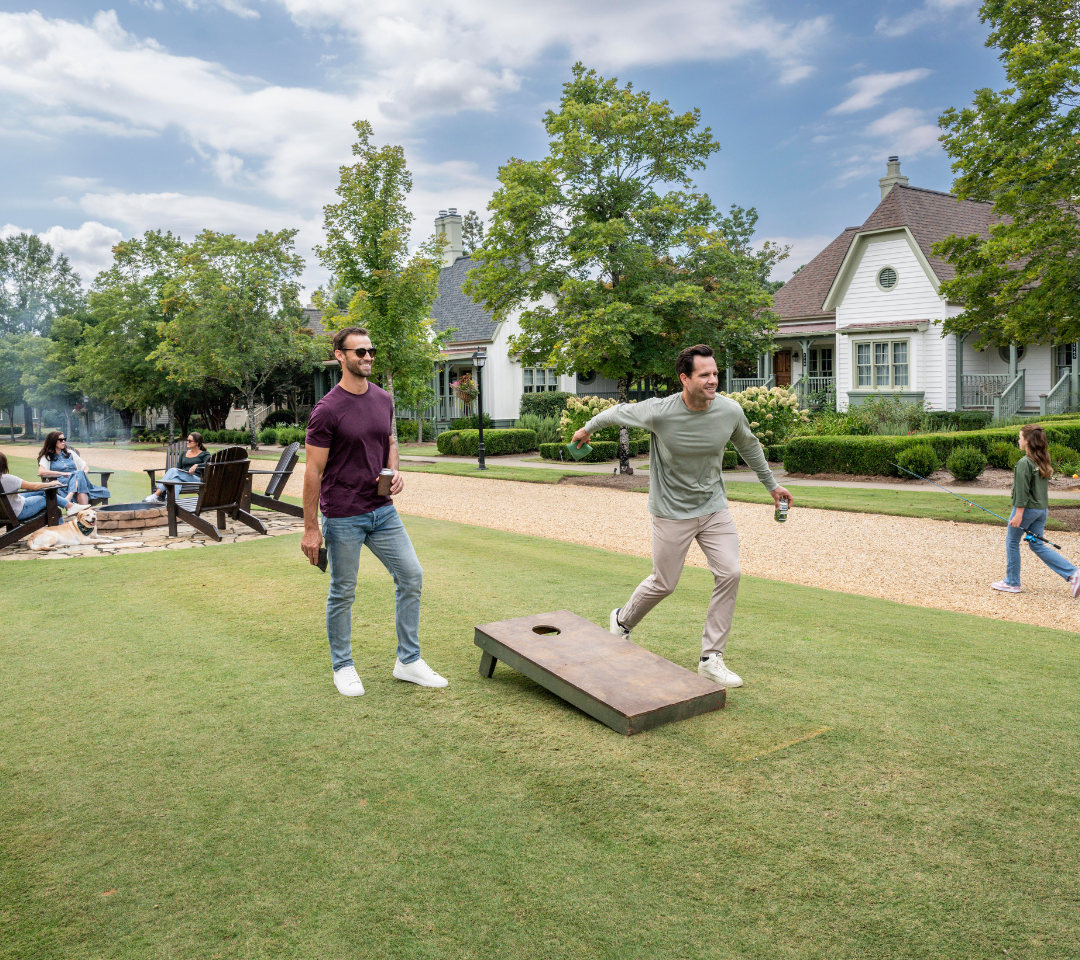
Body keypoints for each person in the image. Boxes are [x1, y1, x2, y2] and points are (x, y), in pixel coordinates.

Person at [571, 344, 794, 688]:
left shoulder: (729, 411)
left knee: (730, 573)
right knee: (665, 583)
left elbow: (749, 446)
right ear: (684, 379)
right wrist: (586, 429)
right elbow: (615, 413)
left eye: (715, 373)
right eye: (704, 374)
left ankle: (711, 658)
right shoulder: (659, 411)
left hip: (713, 508)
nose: (712, 380)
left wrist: (772, 486)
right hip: (671, 512)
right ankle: (622, 620)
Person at [300, 325, 448, 696]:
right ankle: (343, 666)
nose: (367, 358)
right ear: (340, 356)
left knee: (411, 576)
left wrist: (395, 470)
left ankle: (408, 661)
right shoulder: (327, 410)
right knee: (343, 591)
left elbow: (390, 440)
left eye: (371, 351)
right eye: (359, 352)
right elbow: (313, 472)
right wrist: (310, 528)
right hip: (344, 514)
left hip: (382, 512)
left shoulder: (383, 398)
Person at [991, 424, 1080, 597]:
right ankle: (1073, 574)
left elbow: (1022, 491)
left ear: (1027, 441)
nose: (1018, 440)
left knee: (1011, 542)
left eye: (1020, 437)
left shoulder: (1024, 463)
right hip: (1041, 511)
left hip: (1027, 511)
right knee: (1036, 544)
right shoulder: (1042, 460)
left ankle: (1012, 582)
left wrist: (1018, 513)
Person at [36, 431, 110, 513]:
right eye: (60, 439)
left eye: (64, 439)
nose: (63, 441)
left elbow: (86, 468)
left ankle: (69, 497)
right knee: (79, 477)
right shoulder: (47, 456)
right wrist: (62, 473)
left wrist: (81, 476)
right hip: (62, 484)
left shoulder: (70, 453)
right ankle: (86, 513)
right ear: (53, 441)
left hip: (79, 481)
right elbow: (41, 472)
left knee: (79, 473)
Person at [1, 451, 69, 520]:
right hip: (18, 511)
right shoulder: (6, 479)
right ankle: (69, 507)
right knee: (49, 499)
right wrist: (50, 484)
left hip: (5, 510)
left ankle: (69, 506)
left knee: (41, 491)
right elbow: (33, 486)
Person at [145, 433, 211, 500]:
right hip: (183, 478)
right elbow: (178, 469)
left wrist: (196, 465)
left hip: (196, 479)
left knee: (173, 470)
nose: (187, 442)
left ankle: (155, 495)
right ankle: (168, 504)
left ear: (197, 443)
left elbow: (210, 463)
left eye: (190, 441)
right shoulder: (184, 453)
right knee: (175, 481)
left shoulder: (204, 454)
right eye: (187, 440)